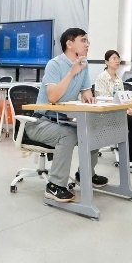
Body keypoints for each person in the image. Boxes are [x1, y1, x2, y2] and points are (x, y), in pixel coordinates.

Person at [24, 28, 109, 203]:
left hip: (63, 121)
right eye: (83, 40)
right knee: (68, 134)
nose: (87, 44)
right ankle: (54, 185)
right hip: (40, 122)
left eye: (87, 41)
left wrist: (89, 97)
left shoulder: (84, 65)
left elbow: (86, 91)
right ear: (69, 44)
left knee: (92, 130)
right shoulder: (54, 64)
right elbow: (53, 97)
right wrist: (71, 72)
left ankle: (85, 175)